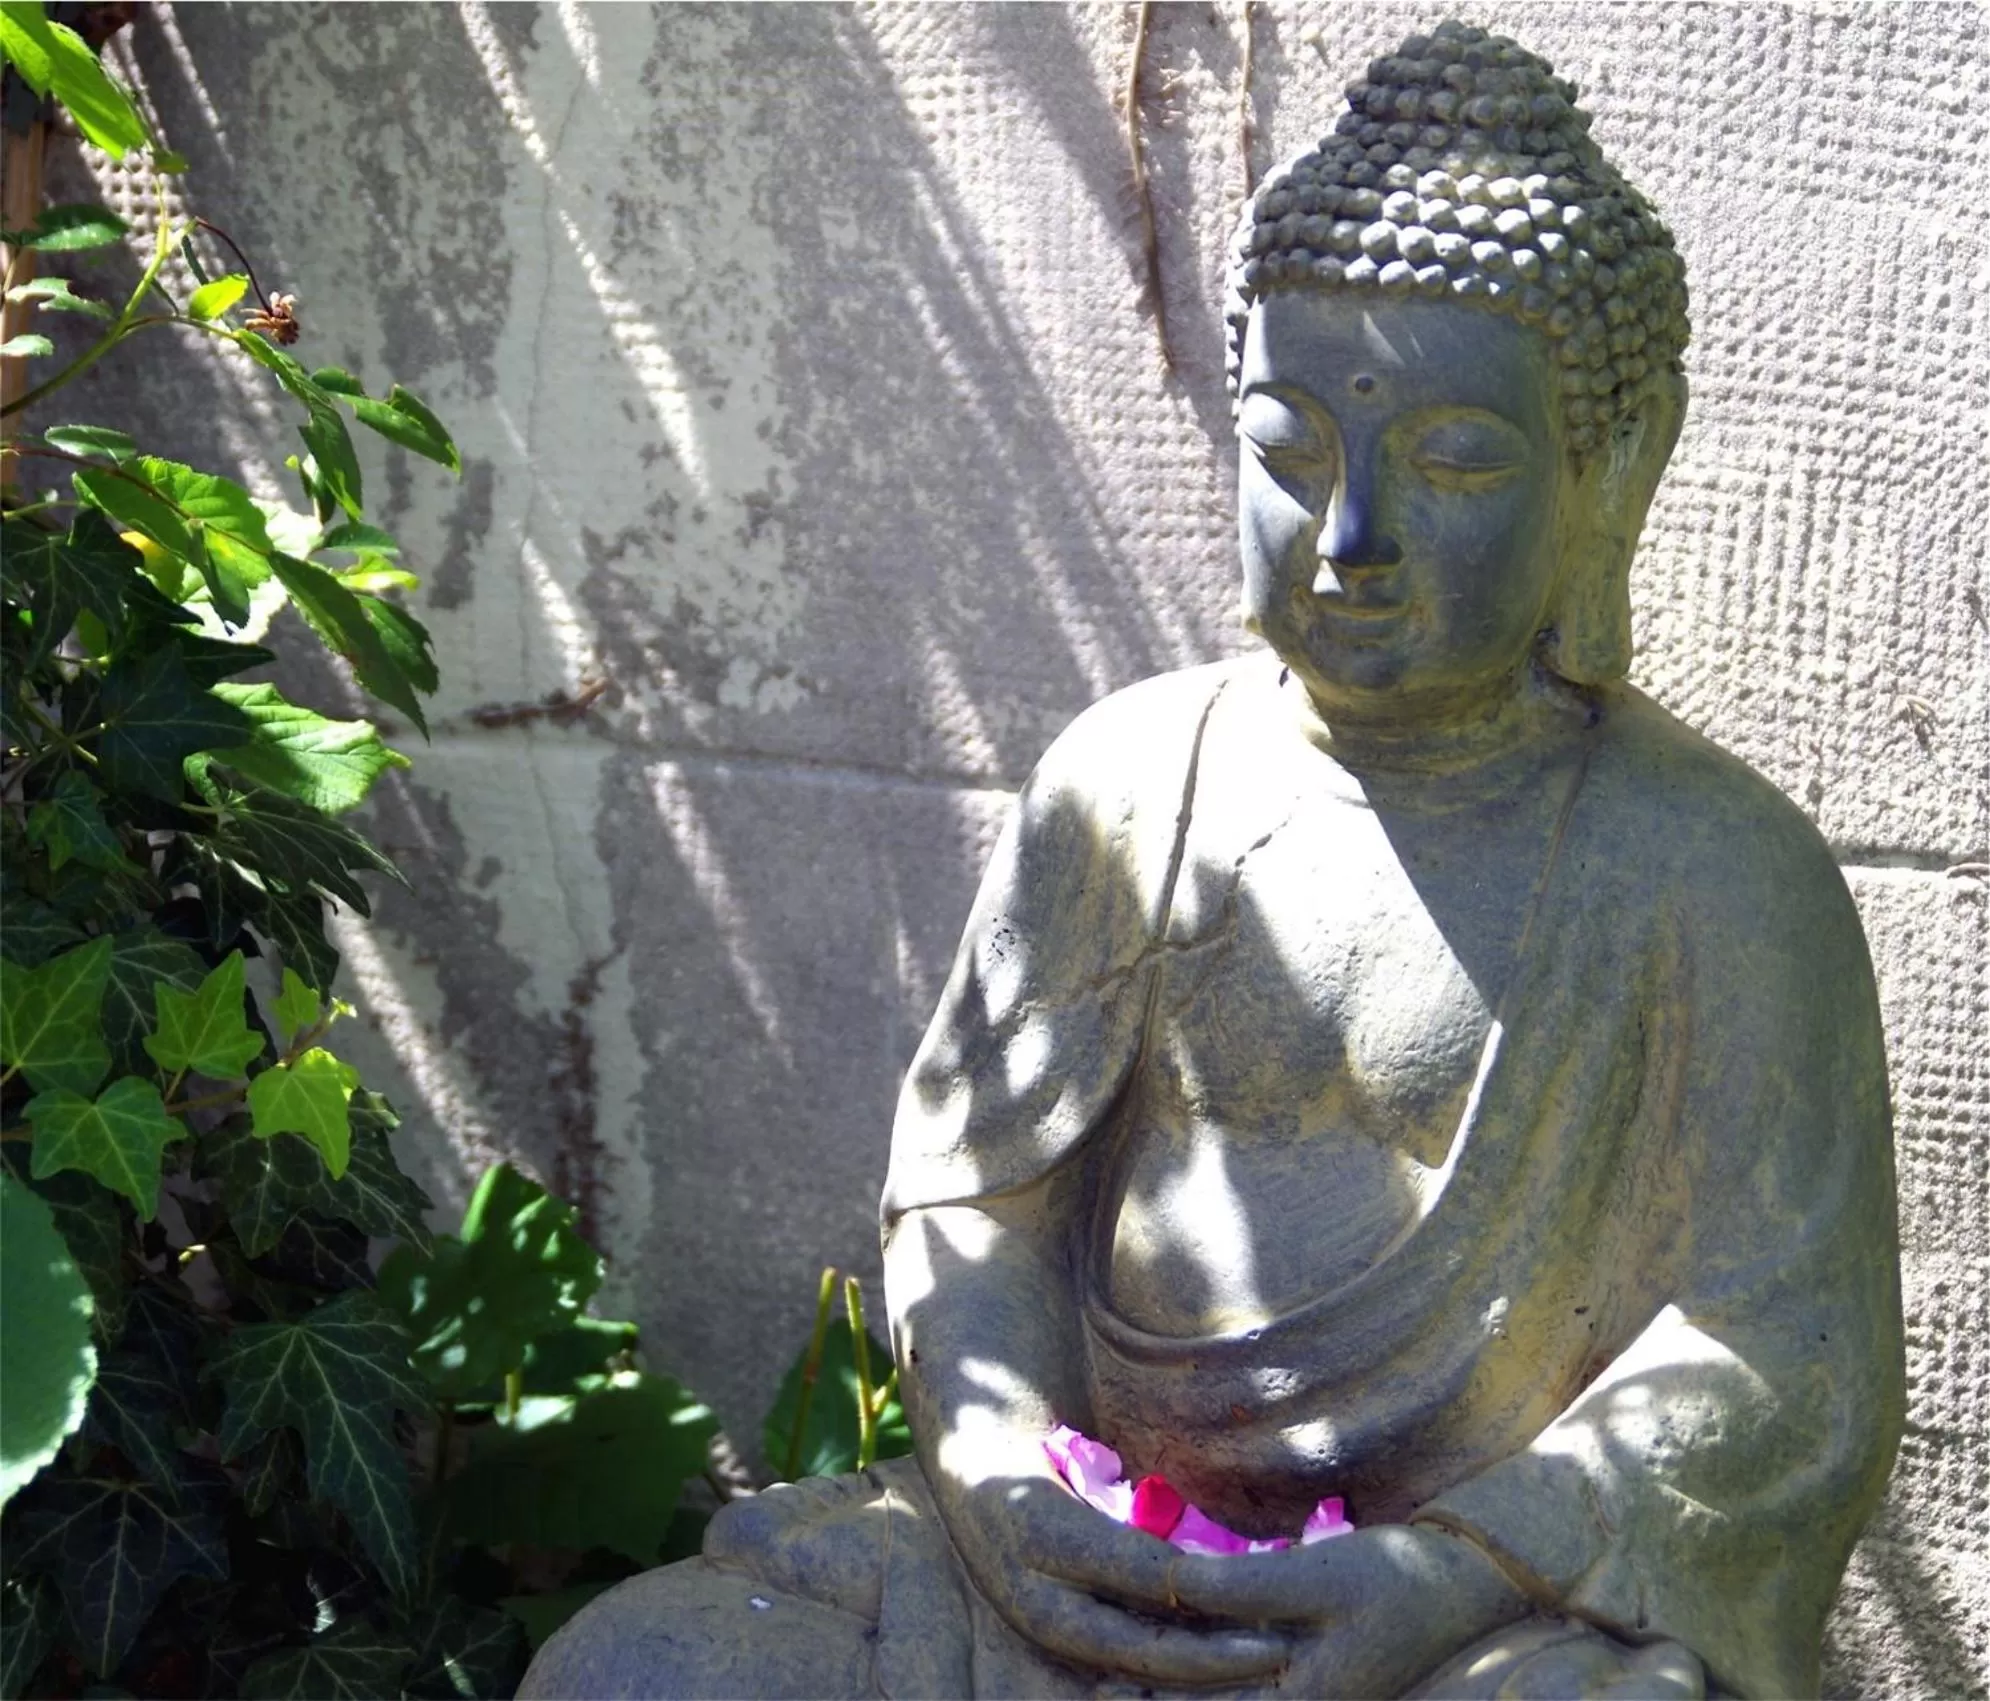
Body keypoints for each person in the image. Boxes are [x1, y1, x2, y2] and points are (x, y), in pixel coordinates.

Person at [520, 20, 1902, 1699]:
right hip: (1083, 1579)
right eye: (1290, 445)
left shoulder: (1710, 873)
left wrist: (1450, 1568)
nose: (1353, 538)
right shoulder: (1130, 781)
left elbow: (1780, 1362)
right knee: (647, 1668)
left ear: (1604, 470)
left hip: (1469, 1622)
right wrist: (1008, 1469)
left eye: (1454, 461)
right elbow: (979, 1202)